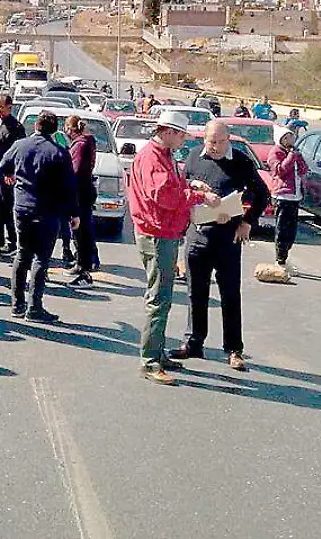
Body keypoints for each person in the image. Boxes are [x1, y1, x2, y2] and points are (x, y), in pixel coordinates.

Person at [170, 120, 270, 372]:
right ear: (204, 139)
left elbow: (262, 193)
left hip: (228, 238)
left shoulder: (241, 162)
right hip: (197, 236)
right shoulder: (193, 157)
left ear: (229, 139)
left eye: (220, 142)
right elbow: (182, 188)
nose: (215, 147)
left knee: (229, 295)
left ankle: (234, 349)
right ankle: (193, 342)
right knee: (195, 292)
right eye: (211, 142)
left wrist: (247, 221)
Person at [126, 111, 212, 386]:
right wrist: (198, 195)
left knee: (162, 297)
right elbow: (163, 196)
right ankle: (150, 361)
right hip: (157, 234)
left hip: (163, 233)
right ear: (168, 132)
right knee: (159, 299)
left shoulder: (161, 155)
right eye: (182, 135)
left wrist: (190, 185)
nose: (184, 140)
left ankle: (156, 354)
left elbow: (169, 188)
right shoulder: (153, 157)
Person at [0, 111, 78, 322]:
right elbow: (69, 186)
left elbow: (3, 164)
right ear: (54, 130)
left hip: (22, 207)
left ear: (36, 126)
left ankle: (17, 304)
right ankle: (34, 307)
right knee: (41, 259)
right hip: (47, 211)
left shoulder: (20, 145)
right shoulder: (59, 153)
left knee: (22, 254)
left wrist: (10, 176)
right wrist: (73, 213)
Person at [0, 92, 26, 255]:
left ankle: (12, 241)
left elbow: (19, 153)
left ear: (9, 107)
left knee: (8, 208)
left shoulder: (16, 127)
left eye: (0, 106)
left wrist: (12, 173)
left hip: (8, 175)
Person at [65, 115, 99, 287]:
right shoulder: (87, 142)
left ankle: (85, 269)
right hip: (84, 191)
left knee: (82, 231)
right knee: (80, 230)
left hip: (80, 192)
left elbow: (76, 171)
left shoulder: (80, 145)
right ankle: (81, 263)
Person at [267, 126, 307, 270]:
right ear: (283, 139)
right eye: (290, 136)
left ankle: (284, 257)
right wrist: (291, 157)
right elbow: (280, 171)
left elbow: (303, 169)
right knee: (282, 230)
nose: (293, 139)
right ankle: (280, 260)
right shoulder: (275, 152)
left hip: (295, 196)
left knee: (292, 231)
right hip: (282, 196)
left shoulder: (294, 152)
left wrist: (298, 158)